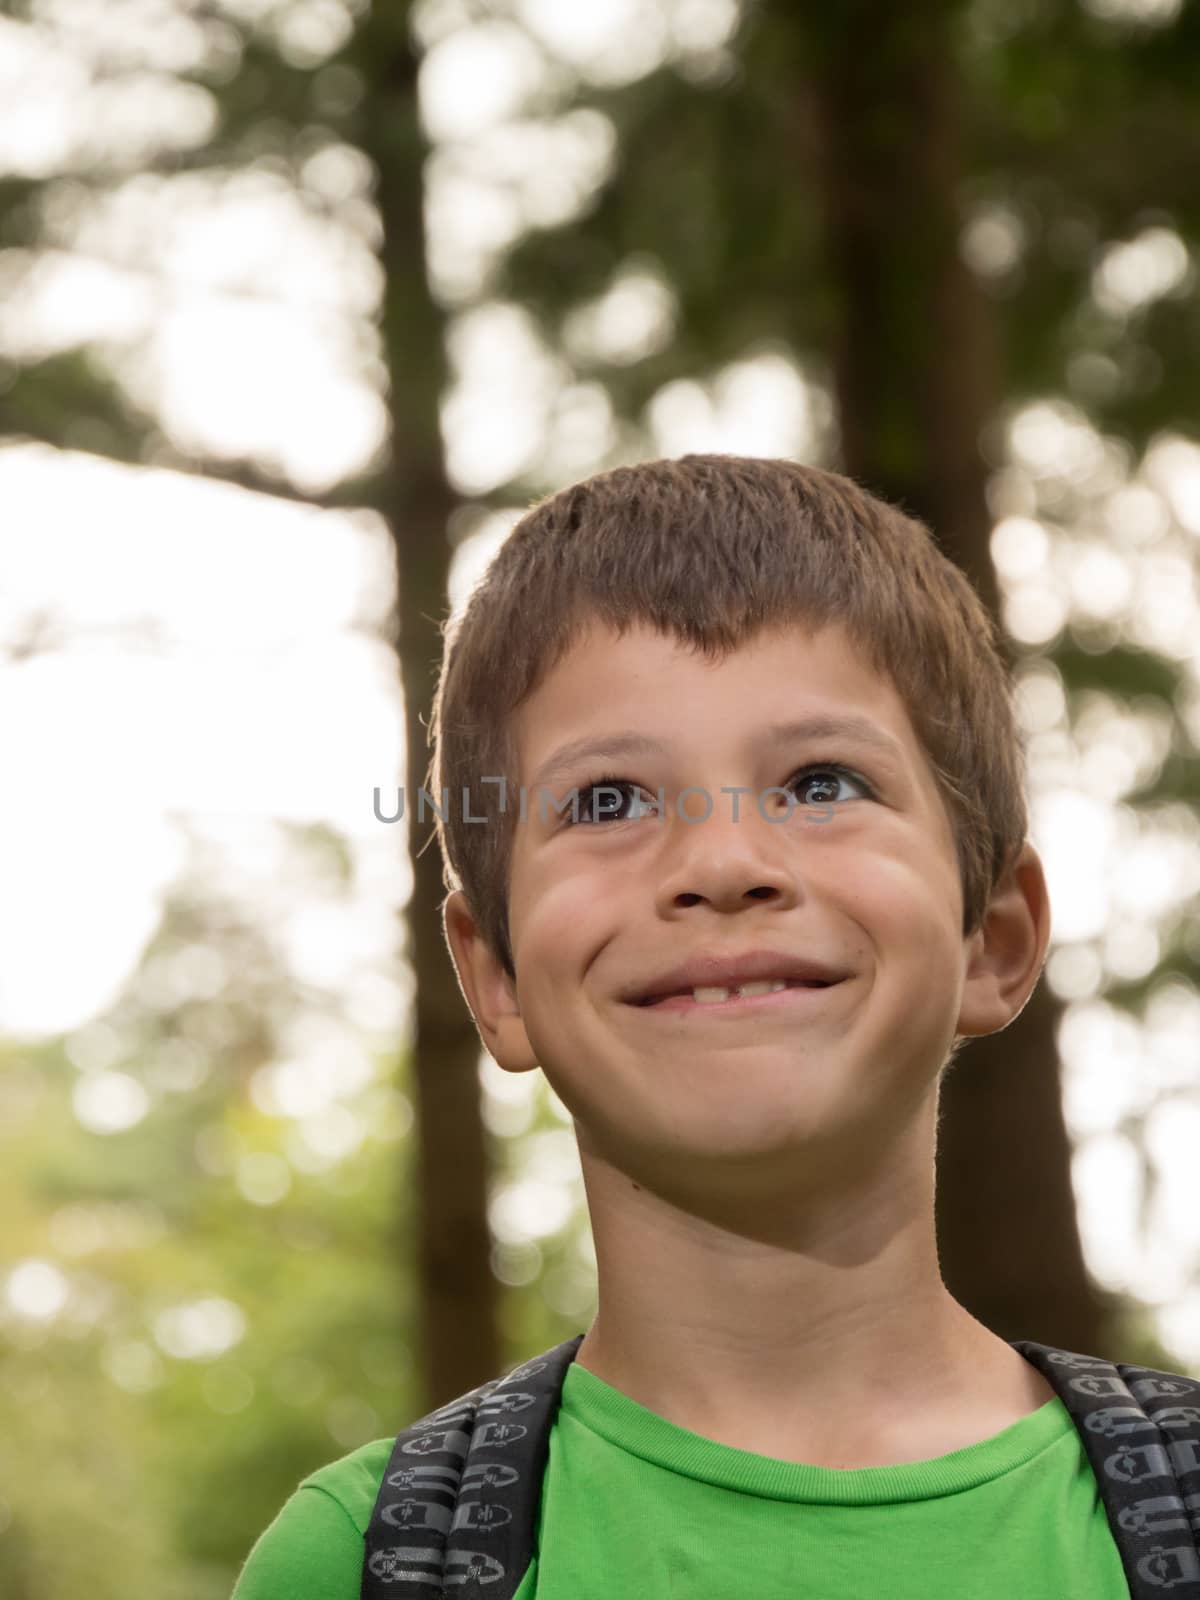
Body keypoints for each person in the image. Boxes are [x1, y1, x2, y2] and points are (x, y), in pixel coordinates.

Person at [232, 455, 1132, 1597]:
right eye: (607, 800)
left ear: (992, 938)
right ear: (497, 975)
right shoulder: (360, 1565)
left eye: (820, 782)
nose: (722, 862)